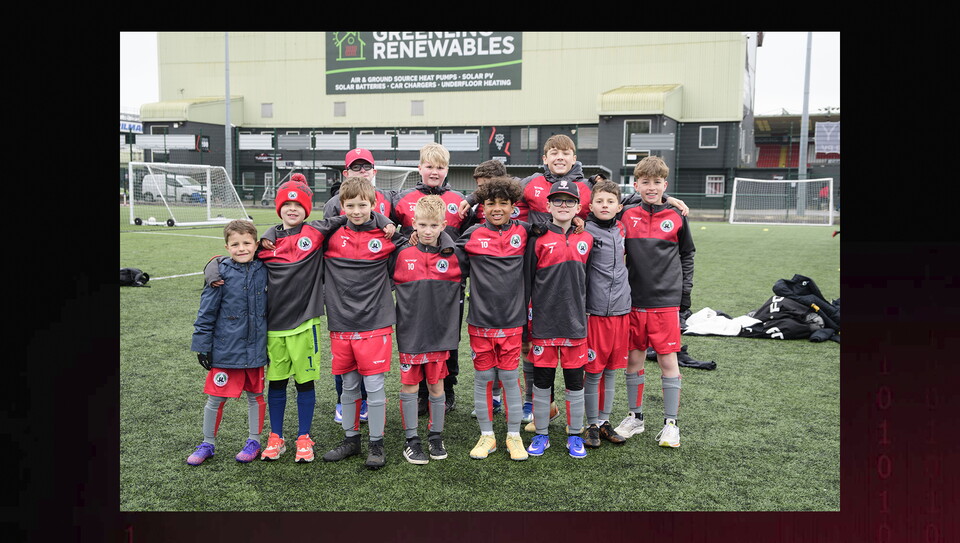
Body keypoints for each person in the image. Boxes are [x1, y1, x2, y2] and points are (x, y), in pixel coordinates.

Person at [206, 175, 359, 463]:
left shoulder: (315, 232)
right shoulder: (265, 245)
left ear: (306, 208)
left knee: (304, 383)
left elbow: (353, 214)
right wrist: (211, 267)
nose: (292, 208)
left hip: (305, 324)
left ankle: (304, 436)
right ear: (279, 208)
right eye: (286, 204)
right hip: (272, 329)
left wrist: (382, 220)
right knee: (276, 384)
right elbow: (233, 256)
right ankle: (276, 437)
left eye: (297, 204)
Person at [322, 176, 407, 469]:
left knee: (373, 385)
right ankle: (351, 440)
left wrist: (385, 222)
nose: (357, 211)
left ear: (373, 205)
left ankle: (377, 445)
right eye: (350, 205)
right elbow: (294, 236)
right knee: (348, 386)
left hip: (375, 322)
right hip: (341, 322)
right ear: (341, 207)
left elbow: (417, 246)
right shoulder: (329, 235)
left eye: (363, 205)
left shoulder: (387, 237)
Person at [457, 176, 544, 461]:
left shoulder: (526, 231)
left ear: (513, 206)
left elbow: (555, 229)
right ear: (482, 207)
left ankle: (514, 436)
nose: (497, 208)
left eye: (503, 203)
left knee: (509, 378)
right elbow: (445, 253)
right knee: (483, 379)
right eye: (491, 203)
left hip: (511, 322)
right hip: (480, 321)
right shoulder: (471, 235)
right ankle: (487, 436)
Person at [614, 156, 695, 448]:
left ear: (665, 184)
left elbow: (687, 255)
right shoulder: (625, 215)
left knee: (667, 360)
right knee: (633, 359)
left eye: (657, 182)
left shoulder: (677, 216)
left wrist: (684, 294)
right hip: (633, 301)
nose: (651, 187)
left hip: (666, 302)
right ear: (636, 185)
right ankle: (635, 418)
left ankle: (671, 424)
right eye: (645, 182)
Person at [392, 143, 468, 414]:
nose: (434, 172)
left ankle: (447, 388)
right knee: (418, 330)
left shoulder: (459, 200)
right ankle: (423, 392)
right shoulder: (402, 199)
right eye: (429, 166)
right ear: (419, 168)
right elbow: (387, 230)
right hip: (416, 279)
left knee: (449, 332)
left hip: (449, 281)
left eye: (440, 167)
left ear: (447, 170)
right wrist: (405, 241)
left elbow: (470, 236)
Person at [392, 195, 467, 464]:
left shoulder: (455, 256)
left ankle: (435, 435)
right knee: (410, 386)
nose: (427, 231)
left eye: (433, 225)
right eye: (422, 224)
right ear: (413, 223)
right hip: (410, 335)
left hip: (439, 336)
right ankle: (411, 440)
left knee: (437, 387)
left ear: (443, 226)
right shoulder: (401, 255)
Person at [187, 220, 268, 465]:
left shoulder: (265, 268)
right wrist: (202, 346)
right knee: (215, 398)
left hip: (256, 349)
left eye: (246, 243)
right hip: (225, 350)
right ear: (226, 246)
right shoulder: (219, 273)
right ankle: (207, 443)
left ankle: (254, 440)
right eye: (235, 244)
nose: (241, 248)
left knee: (256, 396)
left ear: (256, 245)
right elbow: (206, 312)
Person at [524, 179, 594, 458]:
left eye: (569, 201)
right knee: (542, 381)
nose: (563, 206)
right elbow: (528, 281)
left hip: (575, 323)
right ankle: (541, 434)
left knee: (575, 381)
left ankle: (574, 434)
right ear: (548, 205)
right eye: (557, 201)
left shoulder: (587, 238)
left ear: (578, 207)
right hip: (543, 322)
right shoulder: (537, 238)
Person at [323, 148, 394, 425]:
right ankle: (346, 402)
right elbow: (314, 235)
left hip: (373, 301)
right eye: (356, 167)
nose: (361, 170)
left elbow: (399, 245)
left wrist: (385, 222)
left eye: (366, 167)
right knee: (345, 363)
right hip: (341, 303)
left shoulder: (384, 206)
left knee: (368, 362)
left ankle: (366, 404)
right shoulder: (332, 213)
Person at [581, 179, 630, 448]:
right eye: (599, 201)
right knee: (594, 370)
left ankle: (603, 421)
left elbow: (644, 199)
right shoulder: (584, 231)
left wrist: (671, 200)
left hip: (621, 310)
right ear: (590, 205)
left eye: (610, 202)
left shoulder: (622, 227)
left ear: (618, 207)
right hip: (595, 311)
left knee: (611, 370)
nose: (604, 205)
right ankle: (589, 423)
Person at [465, 159, 509, 419]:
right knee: (487, 350)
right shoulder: (474, 215)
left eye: (487, 188)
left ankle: (528, 402)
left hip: (515, 290)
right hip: (484, 291)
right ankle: (492, 398)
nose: (483, 194)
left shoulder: (517, 207)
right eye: (479, 189)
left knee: (520, 349)